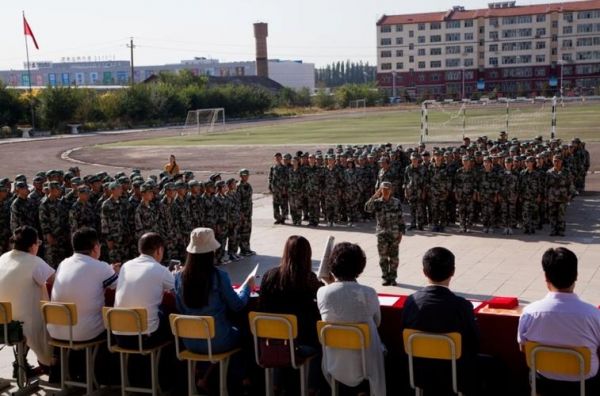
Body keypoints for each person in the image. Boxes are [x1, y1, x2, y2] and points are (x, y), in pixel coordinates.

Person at [518, 247, 600, 395]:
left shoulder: (530, 312)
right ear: (576, 276)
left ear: (546, 277)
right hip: (584, 386)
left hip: (544, 383)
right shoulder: (594, 314)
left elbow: (523, 348)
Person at [402, 247, 480, 394]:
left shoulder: (411, 302)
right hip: (454, 374)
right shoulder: (461, 305)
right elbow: (475, 342)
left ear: (424, 272)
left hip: (419, 373)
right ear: (453, 271)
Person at [317, 242, 386, 396]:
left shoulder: (322, 292)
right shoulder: (369, 293)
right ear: (360, 267)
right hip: (364, 360)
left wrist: (329, 284)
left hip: (335, 359)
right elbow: (377, 321)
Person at [174, 227, 255, 354]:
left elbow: (179, 307)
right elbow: (237, 305)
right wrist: (247, 287)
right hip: (218, 341)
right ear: (211, 252)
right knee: (247, 331)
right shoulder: (219, 276)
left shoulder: (179, 277)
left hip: (189, 341)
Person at [259, 235, 323, 394]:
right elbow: (324, 298)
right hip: (301, 343)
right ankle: (312, 387)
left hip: (272, 343)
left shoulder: (269, 276)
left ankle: (276, 384)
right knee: (324, 344)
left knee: (282, 337)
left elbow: (262, 307)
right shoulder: (308, 279)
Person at [48, 227, 120, 342]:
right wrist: (114, 273)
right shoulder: (101, 267)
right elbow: (119, 287)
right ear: (96, 248)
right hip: (86, 333)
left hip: (55, 331)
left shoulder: (63, 264)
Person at [0, 226, 55, 373]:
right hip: (20, 325)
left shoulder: (3, 258)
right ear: (32, 246)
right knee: (44, 320)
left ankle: (21, 364)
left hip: (2, 322)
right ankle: (49, 366)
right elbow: (57, 281)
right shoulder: (35, 262)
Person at [114, 233, 174, 348]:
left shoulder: (125, 266)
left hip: (119, 337)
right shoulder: (160, 270)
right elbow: (178, 290)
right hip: (144, 338)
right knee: (169, 315)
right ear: (159, 250)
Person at [364, 181, 405, 286]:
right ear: (380, 190)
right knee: (383, 258)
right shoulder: (377, 202)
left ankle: (393, 278)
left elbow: (401, 218)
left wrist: (401, 232)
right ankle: (385, 277)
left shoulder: (396, 202)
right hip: (382, 234)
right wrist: (375, 195)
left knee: (394, 257)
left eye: (387, 189)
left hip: (394, 233)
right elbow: (367, 208)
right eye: (383, 189)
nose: (385, 191)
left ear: (391, 190)